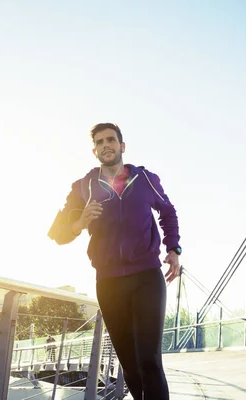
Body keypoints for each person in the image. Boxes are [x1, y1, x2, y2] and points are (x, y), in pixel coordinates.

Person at [47, 123, 181, 400]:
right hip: (108, 284)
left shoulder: (145, 180)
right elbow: (57, 233)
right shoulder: (83, 187)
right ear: (94, 150)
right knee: (130, 366)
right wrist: (79, 222)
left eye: (111, 139)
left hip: (147, 277)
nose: (105, 144)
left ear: (122, 146)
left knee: (150, 361)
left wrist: (173, 249)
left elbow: (167, 212)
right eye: (99, 142)